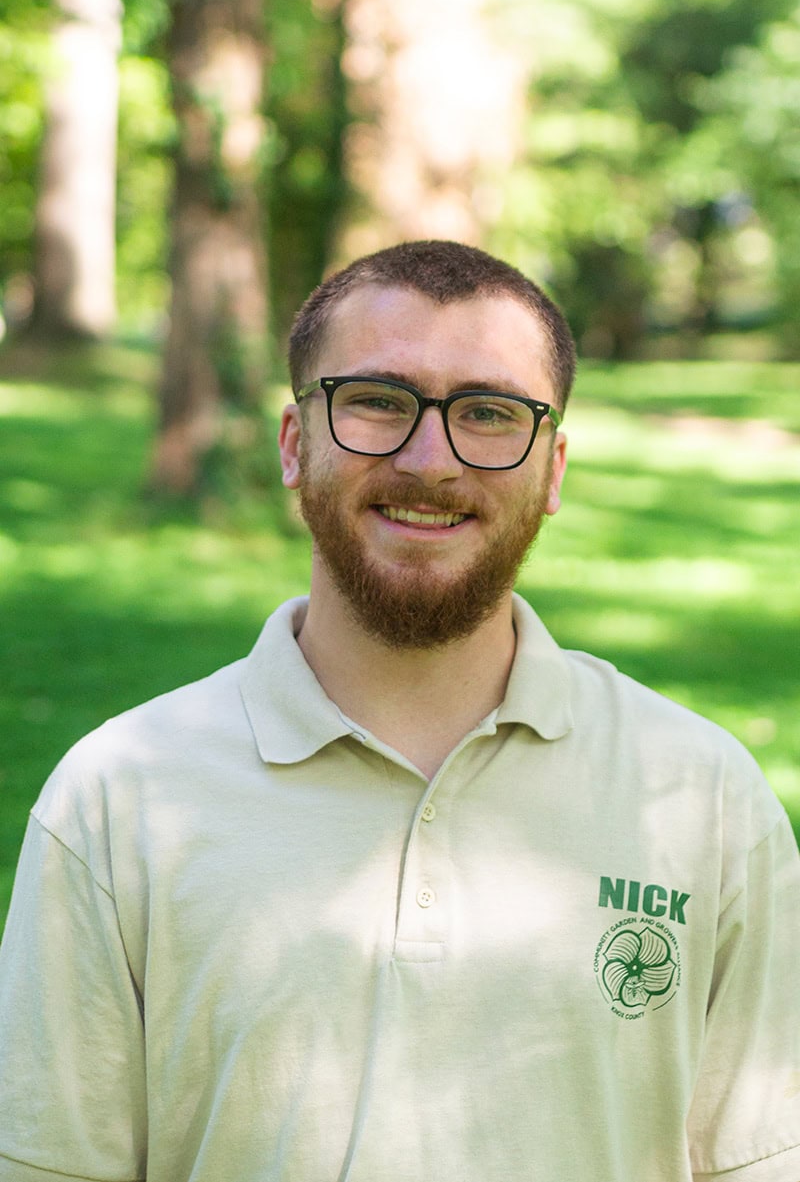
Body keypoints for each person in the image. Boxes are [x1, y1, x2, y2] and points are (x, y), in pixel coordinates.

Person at [0, 240, 798, 1182]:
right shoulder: (119, 798)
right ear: (295, 444)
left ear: (553, 468)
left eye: (490, 412)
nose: (431, 460)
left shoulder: (700, 797)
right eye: (378, 400)